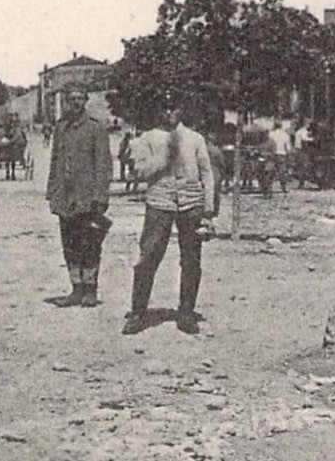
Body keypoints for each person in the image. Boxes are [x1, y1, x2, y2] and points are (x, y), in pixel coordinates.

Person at [125, 96, 216, 336]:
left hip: (191, 203)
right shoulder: (147, 138)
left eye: (173, 107)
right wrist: (164, 157)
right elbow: (140, 172)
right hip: (160, 202)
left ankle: (186, 313)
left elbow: (206, 174)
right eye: (164, 108)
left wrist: (208, 210)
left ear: (182, 109)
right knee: (149, 256)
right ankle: (138, 313)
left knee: (191, 259)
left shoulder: (195, 139)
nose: (169, 112)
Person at [46, 88, 114, 307]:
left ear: (85, 101)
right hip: (65, 197)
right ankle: (76, 288)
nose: (75, 103)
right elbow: (55, 161)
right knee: (70, 244)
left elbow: (104, 165)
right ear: (66, 102)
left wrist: (101, 196)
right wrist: (52, 191)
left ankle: (90, 289)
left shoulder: (96, 128)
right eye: (71, 100)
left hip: (87, 197)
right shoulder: (61, 128)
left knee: (90, 243)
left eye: (79, 99)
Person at [265, 120, 292, 195]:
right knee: (282, 172)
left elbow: (268, 144)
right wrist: (288, 155)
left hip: (273, 154)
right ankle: (284, 187)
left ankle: (269, 188)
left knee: (270, 171)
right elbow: (288, 148)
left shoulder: (271, 134)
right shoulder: (285, 135)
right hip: (282, 154)